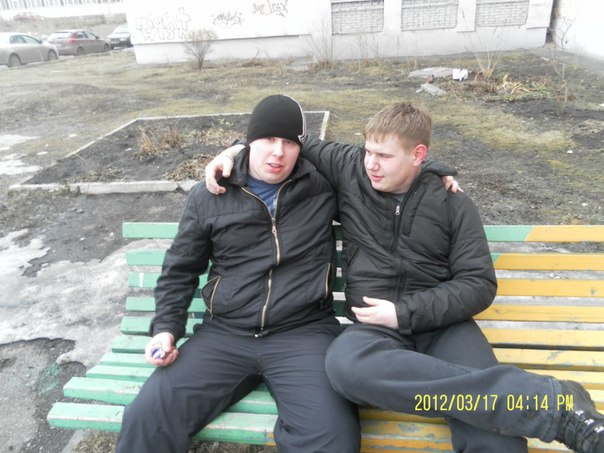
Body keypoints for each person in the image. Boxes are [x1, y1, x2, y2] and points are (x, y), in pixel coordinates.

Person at [206, 102, 604, 453]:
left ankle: (555, 411)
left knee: (495, 440)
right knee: (346, 366)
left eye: (384, 156)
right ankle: (549, 402)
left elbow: (478, 283)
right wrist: (232, 152)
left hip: (444, 327)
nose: (371, 164)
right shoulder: (350, 168)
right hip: (375, 331)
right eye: (368, 151)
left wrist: (404, 312)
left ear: (419, 156)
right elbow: (282, 137)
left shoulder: (454, 204)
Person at [115, 94, 361, 453]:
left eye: (289, 142)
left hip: (304, 334)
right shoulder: (210, 195)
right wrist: (166, 329)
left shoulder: (322, 187)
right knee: (147, 418)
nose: (278, 152)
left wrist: (434, 172)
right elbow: (180, 269)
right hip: (225, 334)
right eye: (268, 139)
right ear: (249, 141)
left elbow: (383, 163)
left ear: (302, 147)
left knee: (333, 437)